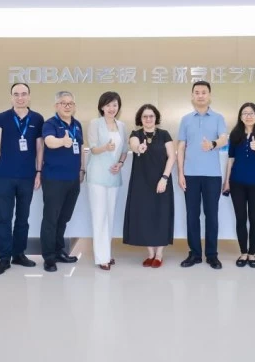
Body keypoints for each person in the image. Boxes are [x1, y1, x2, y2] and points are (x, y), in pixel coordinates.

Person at [0, 82, 44, 276]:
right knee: (4, 218)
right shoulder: (2, 117)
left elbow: (39, 147)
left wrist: (39, 172)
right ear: (11, 97)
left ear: (29, 96)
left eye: (24, 94)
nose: (20, 97)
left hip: (27, 176)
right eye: (16, 94)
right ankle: (4, 258)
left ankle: (19, 254)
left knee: (23, 218)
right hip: (5, 175)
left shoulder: (37, 118)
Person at [177, 81, 228, 269]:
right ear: (192, 96)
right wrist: (180, 173)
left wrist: (213, 144)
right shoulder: (185, 119)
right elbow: (181, 146)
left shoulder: (218, 118)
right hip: (190, 175)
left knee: (212, 216)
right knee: (192, 215)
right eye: (197, 92)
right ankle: (195, 254)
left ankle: (212, 255)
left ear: (209, 95)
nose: (200, 95)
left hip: (212, 175)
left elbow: (224, 138)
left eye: (204, 92)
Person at [123, 104, 176, 268]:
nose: (148, 119)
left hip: (161, 181)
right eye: (145, 116)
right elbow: (133, 144)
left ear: (156, 118)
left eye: (151, 116)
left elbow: (171, 157)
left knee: (161, 215)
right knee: (144, 216)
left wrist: (164, 178)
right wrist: (139, 147)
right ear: (140, 119)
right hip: (141, 182)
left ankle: (159, 255)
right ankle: (150, 254)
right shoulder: (136, 134)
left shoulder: (164, 134)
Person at [41, 91, 85, 273]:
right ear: (56, 106)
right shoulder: (50, 124)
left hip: (73, 179)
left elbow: (80, 148)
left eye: (70, 103)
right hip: (54, 179)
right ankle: (49, 257)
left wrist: (82, 169)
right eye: (63, 103)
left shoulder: (77, 124)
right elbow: (49, 141)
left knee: (63, 218)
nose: (67, 106)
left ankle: (59, 251)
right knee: (51, 219)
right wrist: (62, 141)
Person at [224, 102, 255, 268]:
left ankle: (252, 253)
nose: (248, 116)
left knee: (254, 218)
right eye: (245, 113)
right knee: (241, 218)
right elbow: (231, 159)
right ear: (240, 117)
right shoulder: (235, 135)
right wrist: (227, 181)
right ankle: (243, 252)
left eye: (251, 113)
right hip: (237, 182)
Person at [86, 92, 127, 270]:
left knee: (110, 215)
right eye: (108, 105)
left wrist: (120, 164)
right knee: (99, 216)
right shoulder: (94, 123)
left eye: (115, 105)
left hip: (114, 176)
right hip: (97, 175)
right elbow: (93, 149)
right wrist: (106, 147)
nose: (112, 108)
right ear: (102, 107)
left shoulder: (122, 126)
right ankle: (101, 257)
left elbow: (124, 150)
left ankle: (107, 254)